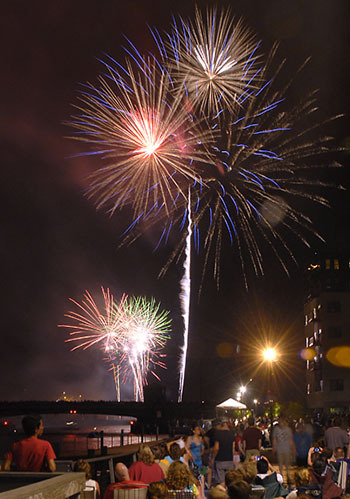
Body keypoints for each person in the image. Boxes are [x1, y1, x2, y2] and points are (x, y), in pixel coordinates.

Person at [272, 416, 296, 486]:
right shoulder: (276, 429)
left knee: (287, 464)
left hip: (286, 449)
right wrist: (274, 448)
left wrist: (293, 449)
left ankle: (288, 477)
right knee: (281, 464)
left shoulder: (287, 430)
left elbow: (290, 440)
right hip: (280, 449)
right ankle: (282, 478)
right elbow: (274, 440)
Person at [213, 420, 235, 485]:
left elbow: (216, 448)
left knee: (221, 481)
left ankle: (222, 493)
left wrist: (213, 458)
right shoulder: (232, 433)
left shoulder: (218, 433)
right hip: (229, 459)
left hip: (220, 460)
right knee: (229, 480)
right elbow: (233, 448)